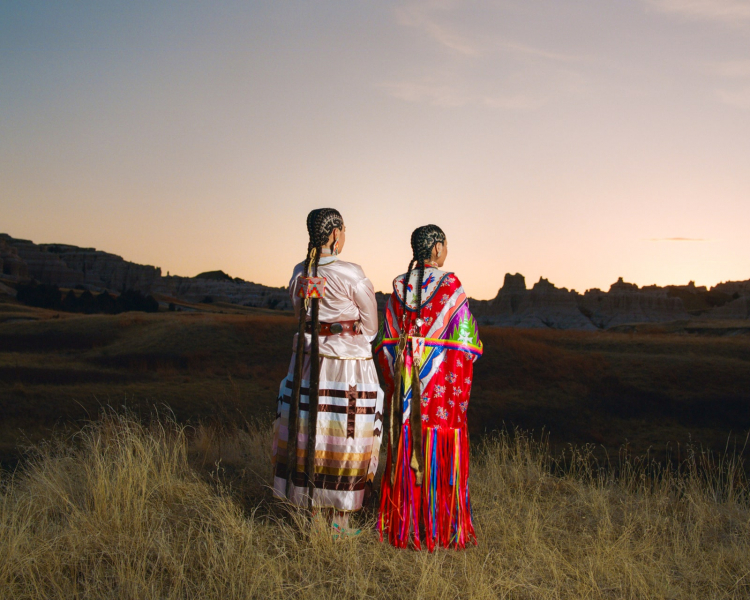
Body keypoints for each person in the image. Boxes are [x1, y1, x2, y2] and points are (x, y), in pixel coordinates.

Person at [271, 208, 383, 534]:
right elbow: (371, 326)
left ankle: (308, 512)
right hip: (347, 368)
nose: (344, 236)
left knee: (308, 429)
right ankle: (339, 520)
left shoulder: (299, 271)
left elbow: (299, 314)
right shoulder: (352, 274)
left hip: (308, 362)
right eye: (344, 230)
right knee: (346, 434)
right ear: (334, 234)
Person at [374, 224, 482, 551]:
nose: (446, 251)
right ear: (436, 249)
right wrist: (446, 362)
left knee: (406, 449)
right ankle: (439, 526)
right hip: (439, 396)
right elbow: (467, 344)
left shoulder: (399, 288)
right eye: (445, 245)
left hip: (407, 392)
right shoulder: (451, 286)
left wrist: (404, 375)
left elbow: (385, 342)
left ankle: (404, 526)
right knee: (439, 448)